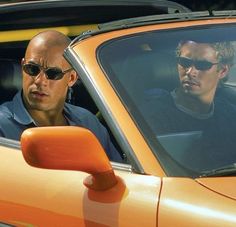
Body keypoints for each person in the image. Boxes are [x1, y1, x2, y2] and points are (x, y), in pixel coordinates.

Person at [0, 30, 122, 162]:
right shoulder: (2, 128)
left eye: (53, 73)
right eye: (32, 69)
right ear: (22, 66)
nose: (40, 81)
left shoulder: (88, 122)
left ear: (72, 78)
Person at [141, 40, 236, 172]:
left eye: (202, 65)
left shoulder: (230, 114)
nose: (190, 72)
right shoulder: (153, 116)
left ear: (223, 71)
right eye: (184, 63)